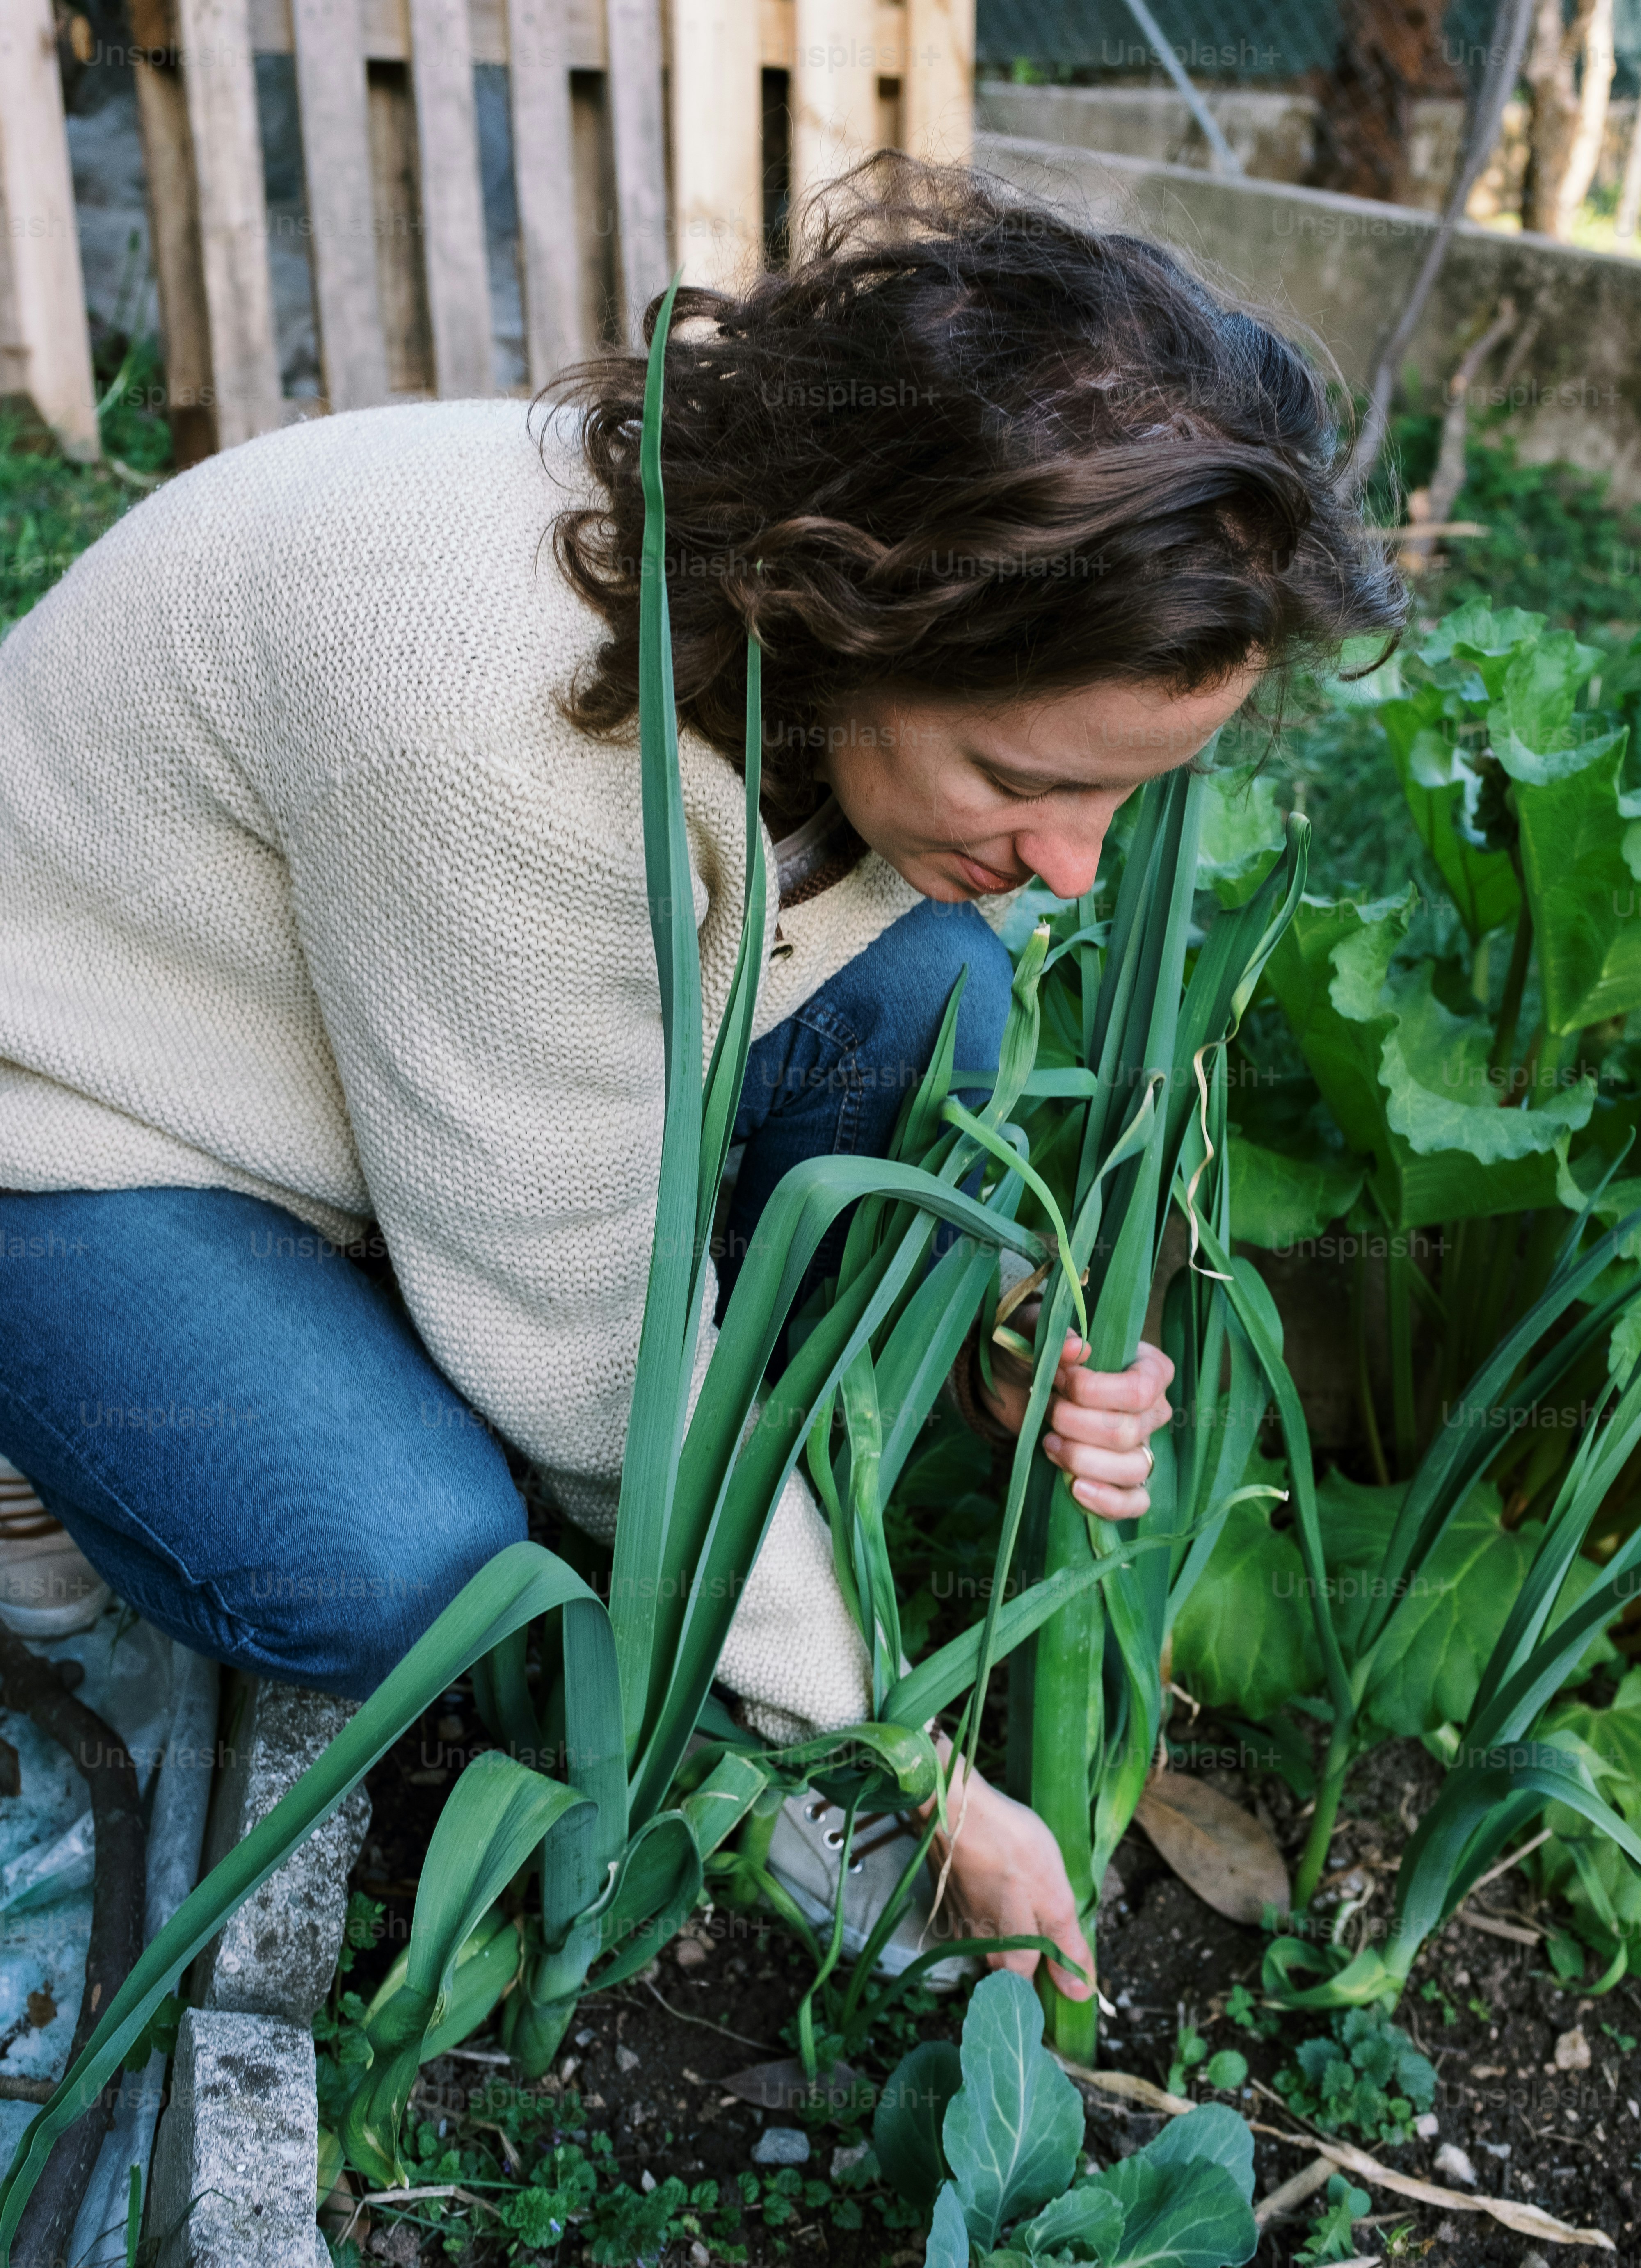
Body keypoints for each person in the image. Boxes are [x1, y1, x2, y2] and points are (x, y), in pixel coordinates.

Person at [0, 157, 1401, 1998]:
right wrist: (886, 1756)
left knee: (942, 1003)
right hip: (93, 1116)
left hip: (405, 1065)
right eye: (1018, 779)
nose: (1077, 863)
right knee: (403, 1568)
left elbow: (836, 1002)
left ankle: (496, 1409)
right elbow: (585, 1353)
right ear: (860, 612)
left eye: (1117, 796)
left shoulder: (798, 643)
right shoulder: (499, 748)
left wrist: (998, 1307)